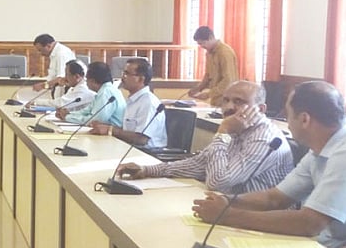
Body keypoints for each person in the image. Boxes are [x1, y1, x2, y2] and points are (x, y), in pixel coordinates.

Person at [192, 81, 346, 248]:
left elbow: (310, 223)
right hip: (321, 247)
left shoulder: (343, 153)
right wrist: (228, 201)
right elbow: (274, 198)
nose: (287, 123)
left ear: (304, 119)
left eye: (287, 115)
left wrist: (226, 216)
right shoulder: (319, 149)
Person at [117, 81, 293, 195]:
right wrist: (147, 170)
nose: (229, 107)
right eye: (226, 100)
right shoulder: (238, 128)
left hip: (260, 223)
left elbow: (218, 182)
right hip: (232, 210)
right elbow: (199, 164)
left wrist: (223, 131)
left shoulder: (264, 138)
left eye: (239, 102)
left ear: (260, 109)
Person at [90, 58, 167, 148]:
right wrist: (104, 126)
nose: (123, 77)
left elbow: (142, 139)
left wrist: (110, 130)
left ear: (141, 79)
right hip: (128, 148)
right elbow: (128, 131)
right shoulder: (133, 100)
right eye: (123, 73)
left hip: (147, 153)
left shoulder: (148, 103)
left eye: (127, 74)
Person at [56, 61, 126, 127]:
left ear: (92, 81)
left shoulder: (106, 93)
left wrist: (68, 117)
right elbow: (87, 111)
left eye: (86, 79)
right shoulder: (104, 90)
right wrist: (69, 114)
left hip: (114, 136)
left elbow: (96, 121)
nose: (86, 82)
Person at [188, 27, 238, 107]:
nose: (202, 46)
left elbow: (228, 80)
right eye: (199, 44)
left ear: (211, 37)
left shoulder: (224, 52)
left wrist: (209, 94)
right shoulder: (209, 53)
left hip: (227, 99)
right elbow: (208, 75)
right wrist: (198, 88)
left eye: (203, 43)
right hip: (216, 99)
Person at [30, 60, 95, 112]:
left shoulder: (83, 88)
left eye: (67, 74)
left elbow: (61, 104)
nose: (65, 78)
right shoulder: (75, 86)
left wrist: (35, 102)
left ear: (77, 76)